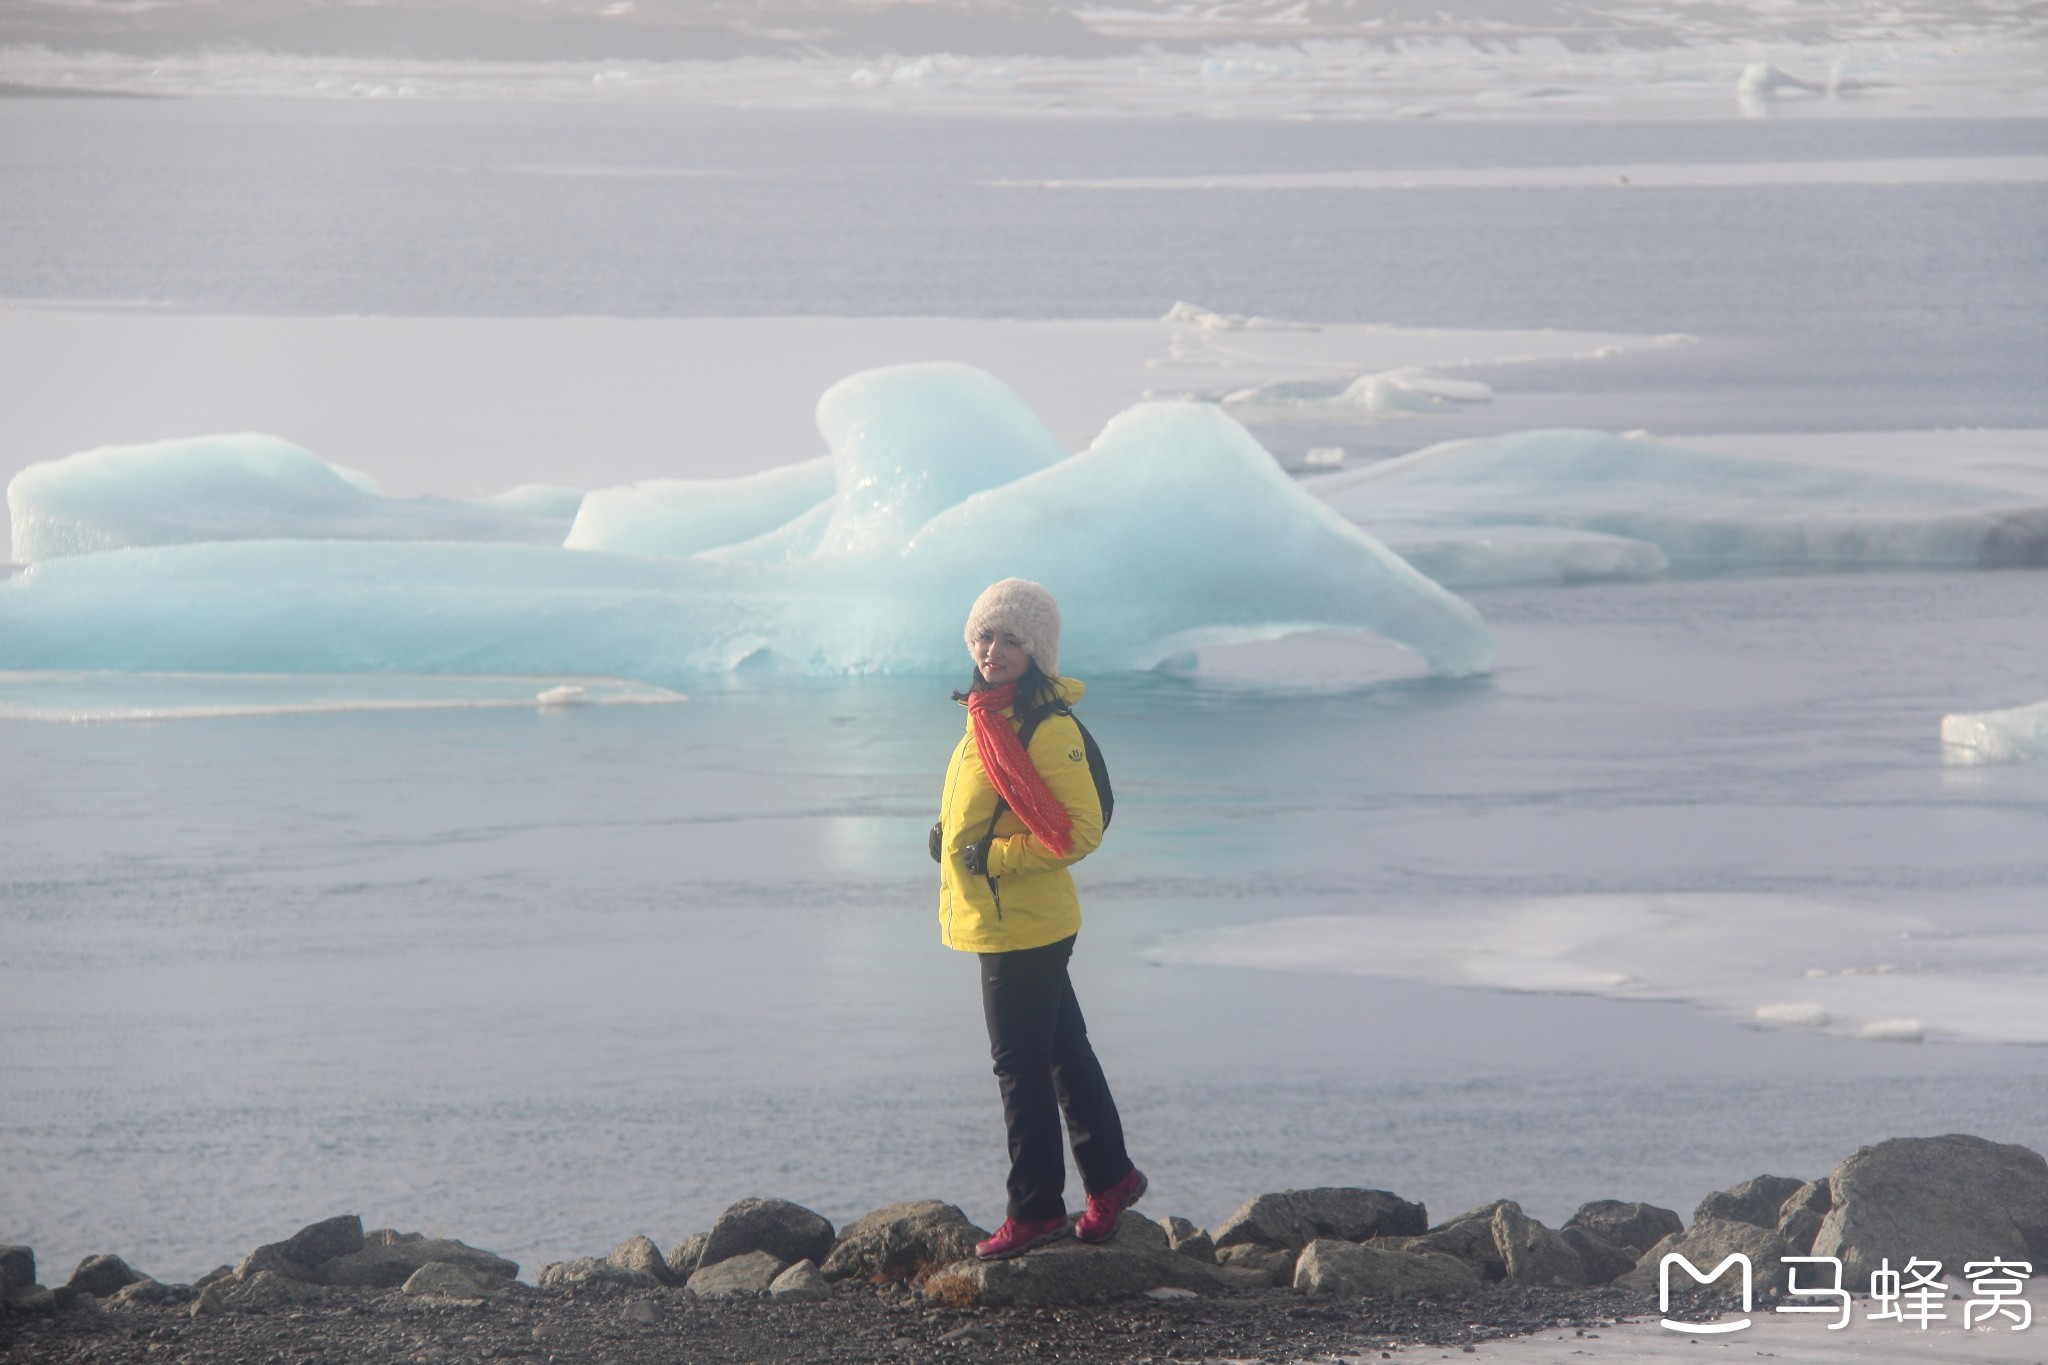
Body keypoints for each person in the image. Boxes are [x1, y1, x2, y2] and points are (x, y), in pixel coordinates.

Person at [935, 577, 1146, 1260]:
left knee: (1018, 1066)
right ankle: (1112, 1178)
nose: (994, 649)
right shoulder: (986, 716)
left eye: (1012, 639)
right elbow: (990, 805)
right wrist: (948, 837)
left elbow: (1077, 832)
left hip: (1022, 922)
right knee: (1061, 1049)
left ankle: (1034, 1211)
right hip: (1009, 914)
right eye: (986, 635)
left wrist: (990, 856)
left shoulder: (1047, 727)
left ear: (1038, 652)